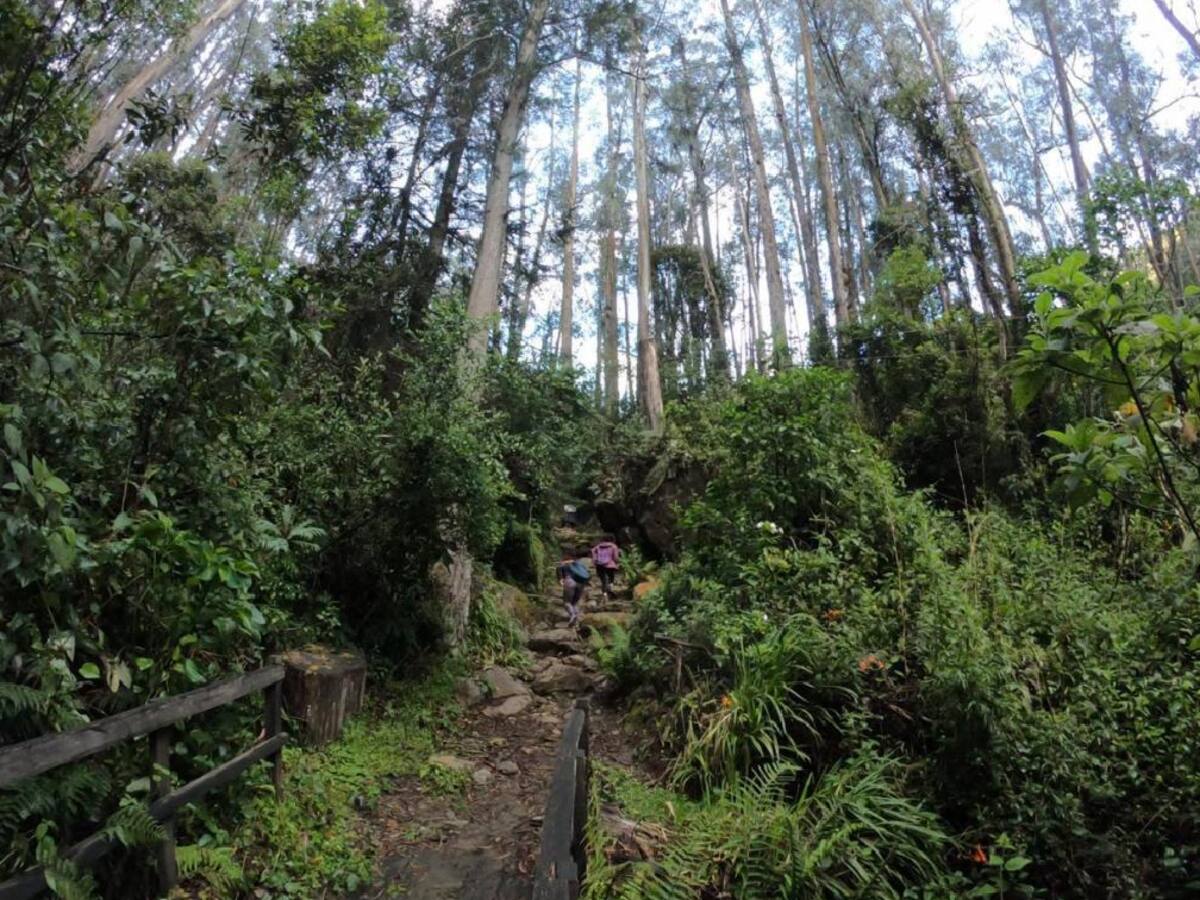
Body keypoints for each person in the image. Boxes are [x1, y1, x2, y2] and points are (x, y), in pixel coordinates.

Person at [556, 549, 589, 627]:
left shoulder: (562, 564)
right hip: (581, 584)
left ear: (565, 556)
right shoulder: (579, 564)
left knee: (567, 602)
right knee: (574, 603)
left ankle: (572, 615)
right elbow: (586, 574)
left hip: (569, 582)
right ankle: (577, 618)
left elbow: (561, 579)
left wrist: (561, 581)